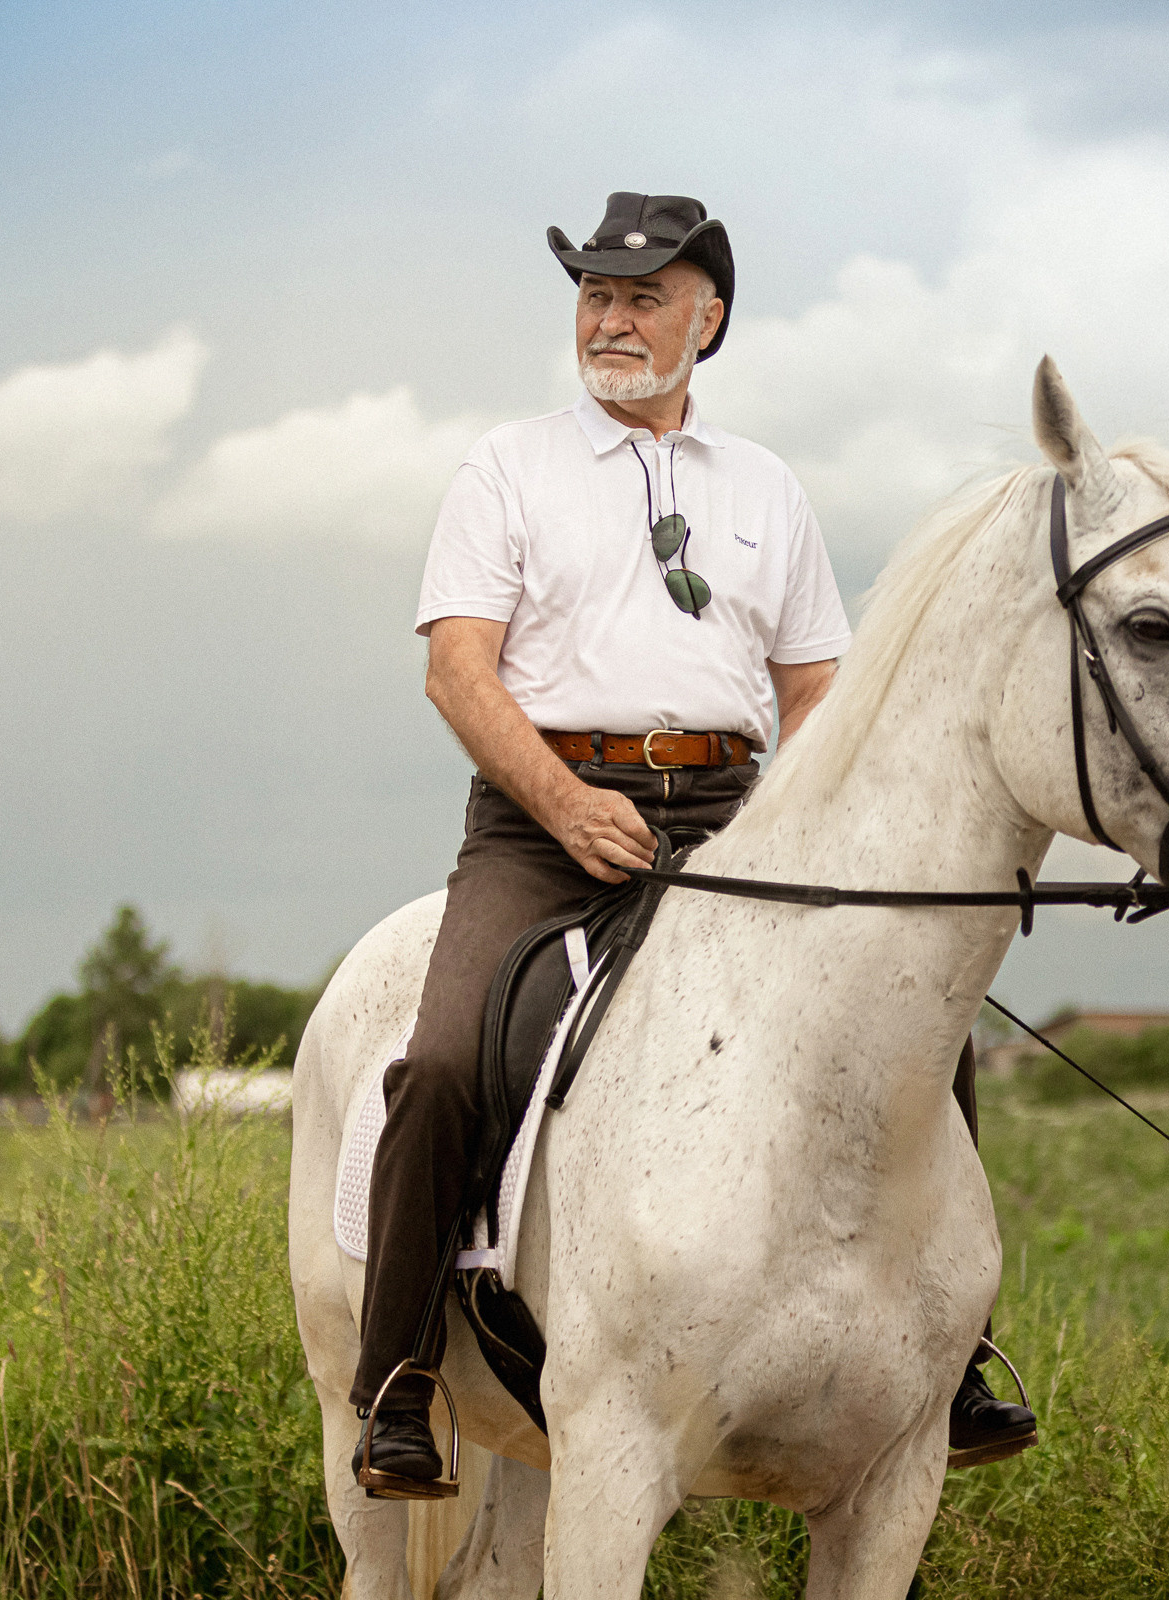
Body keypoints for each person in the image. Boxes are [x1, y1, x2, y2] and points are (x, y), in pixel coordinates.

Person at [353, 192, 1035, 1495]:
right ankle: (399, 1375)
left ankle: (953, 1355)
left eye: (642, 297)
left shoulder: (767, 488)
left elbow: (816, 694)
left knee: (916, 1020)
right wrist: (565, 804)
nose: (610, 320)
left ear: (705, 318)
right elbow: (458, 672)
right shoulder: (507, 468)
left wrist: (804, 828)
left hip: (729, 814)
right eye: (595, 295)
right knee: (439, 1061)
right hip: (542, 825)